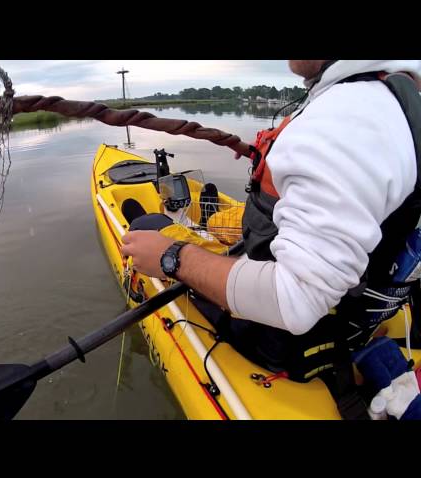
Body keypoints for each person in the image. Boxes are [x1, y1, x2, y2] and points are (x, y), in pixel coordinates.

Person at [120, 61, 421, 415]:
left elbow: (293, 300)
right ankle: (209, 215)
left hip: (283, 335)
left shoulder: (346, 118)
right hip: (351, 304)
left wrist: (173, 256)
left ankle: (168, 231)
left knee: (149, 224)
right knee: (222, 221)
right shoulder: (397, 91)